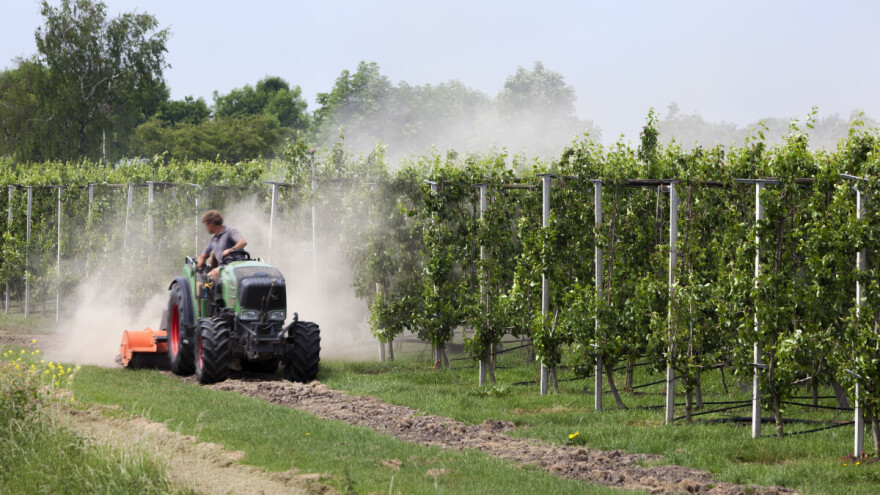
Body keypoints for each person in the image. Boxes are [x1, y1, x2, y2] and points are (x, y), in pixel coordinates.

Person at [196, 210, 247, 280]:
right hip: (224, 268)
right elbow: (203, 255)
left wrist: (230, 250)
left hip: (237, 265)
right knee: (205, 277)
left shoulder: (230, 231)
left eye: (206, 225)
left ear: (211, 223)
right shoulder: (213, 240)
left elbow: (243, 242)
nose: (206, 228)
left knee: (212, 275)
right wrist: (200, 260)